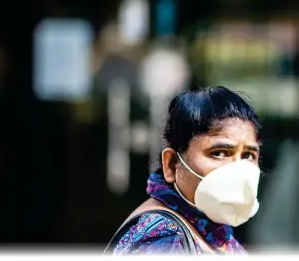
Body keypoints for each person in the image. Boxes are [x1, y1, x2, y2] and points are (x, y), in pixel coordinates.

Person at [107, 86, 262, 254]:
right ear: (172, 165)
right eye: (219, 153)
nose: (238, 169)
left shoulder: (213, 232)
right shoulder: (164, 240)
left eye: (248, 155)